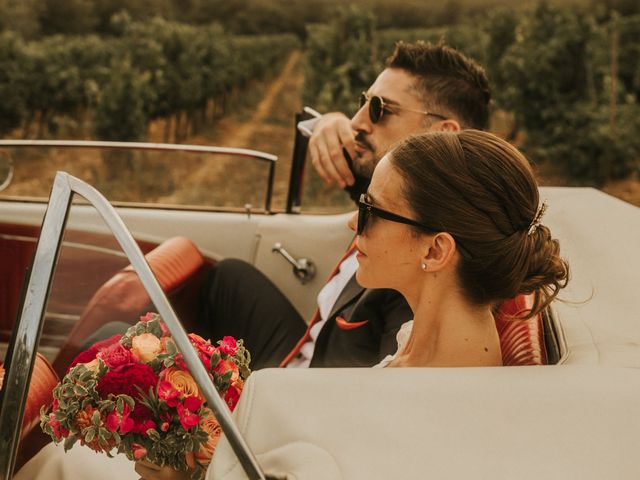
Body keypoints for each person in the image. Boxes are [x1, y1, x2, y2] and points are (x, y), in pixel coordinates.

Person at [15, 129, 570, 480]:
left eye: (372, 210)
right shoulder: (421, 346)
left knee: (62, 462)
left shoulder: (430, 406)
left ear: (437, 249)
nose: (355, 221)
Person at [199, 41, 492, 369]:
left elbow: (361, 401)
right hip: (306, 352)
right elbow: (345, 143)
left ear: (443, 134)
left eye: (380, 109)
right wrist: (327, 121)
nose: (356, 122)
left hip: (311, 385)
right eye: (362, 103)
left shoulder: (426, 264)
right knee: (227, 277)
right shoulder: (411, 199)